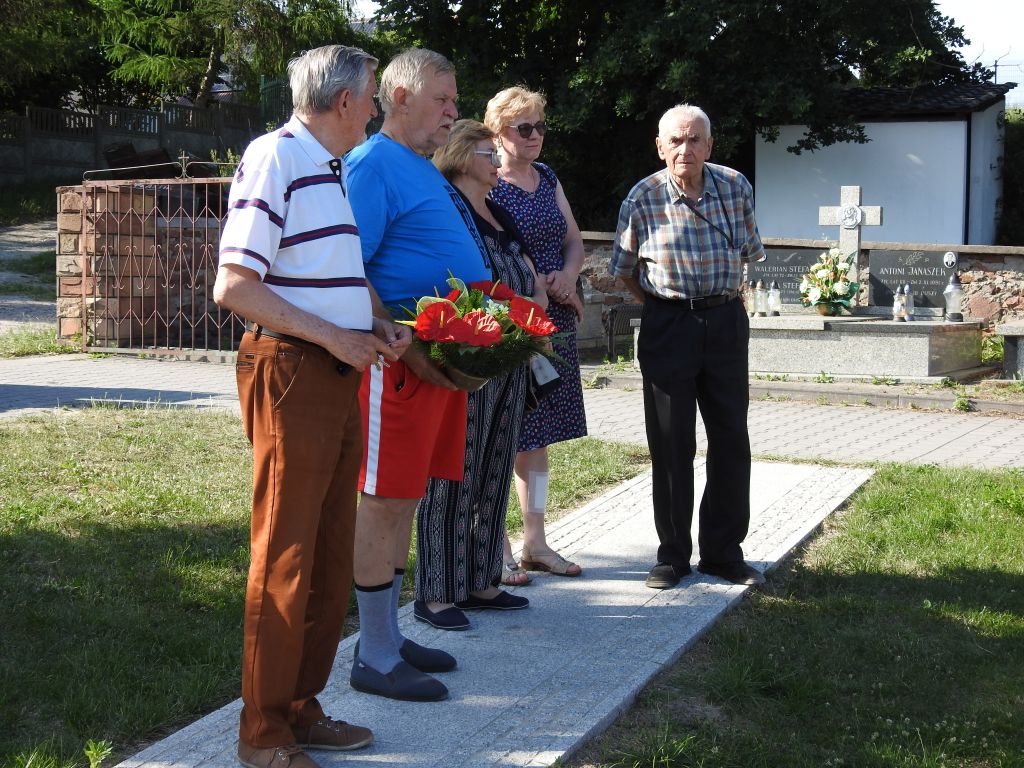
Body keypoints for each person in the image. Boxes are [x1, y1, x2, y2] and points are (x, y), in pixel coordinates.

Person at [214, 46, 411, 768]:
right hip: (293, 373)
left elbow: (324, 275)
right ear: (343, 101)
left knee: (328, 555)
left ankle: (300, 708)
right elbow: (235, 286)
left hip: (333, 374)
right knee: (286, 555)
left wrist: (374, 322)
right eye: (372, 97)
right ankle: (261, 733)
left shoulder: (330, 167)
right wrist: (337, 336)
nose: (376, 109)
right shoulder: (275, 156)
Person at [344, 49, 494, 700]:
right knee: (384, 500)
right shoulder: (373, 163)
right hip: (397, 361)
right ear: (400, 97)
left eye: (455, 100)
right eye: (442, 98)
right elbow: (349, 267)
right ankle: (375, 655)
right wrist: (404, 349)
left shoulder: (417, 166)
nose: (453, 111)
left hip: (430, 360)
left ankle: (389, 635)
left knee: (406, 498)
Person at [609, 103, 767, 590]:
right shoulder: (643, 197)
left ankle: (723, 553)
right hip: (669, 324)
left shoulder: (735, 186)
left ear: (709, 145)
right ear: (660, 147)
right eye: (675, 140)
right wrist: (664, 306)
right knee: (671, 442)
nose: (686, 149)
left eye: (695, 139)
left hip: (725, 321)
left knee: (731, 438)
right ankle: (673, 555)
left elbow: (750, 252)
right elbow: (624, 271)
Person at [414, 119, 547, 629]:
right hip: (465, 359)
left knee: (493, 466)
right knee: (455, 470)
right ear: (461, 155)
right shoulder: (448, 208)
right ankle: (437, 591)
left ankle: (482, 579)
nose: (497, 162)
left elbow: (529, 273)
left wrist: (531, 315)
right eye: (488, 154)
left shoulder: (500, 211)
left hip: (509, 356)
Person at [485, 86, 587, 583]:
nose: (535, 135)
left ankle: (536, 541)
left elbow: (573, 240)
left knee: (538, 436)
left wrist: (567, 276)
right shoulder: (486, 182)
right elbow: (484, 253)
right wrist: (532, 290)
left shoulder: (546, 177)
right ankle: (496, 547)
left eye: (540, 126)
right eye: (523, 127)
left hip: (554, 319)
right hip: (510, 322)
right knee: (502, 434)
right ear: (496, 133)